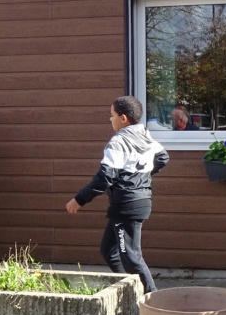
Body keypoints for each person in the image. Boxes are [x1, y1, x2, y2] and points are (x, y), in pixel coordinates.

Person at [66, 96, 169, 293]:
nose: (109, 119)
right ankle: (130, 289)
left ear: (123, 118)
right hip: (139, 200)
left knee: (131, 255)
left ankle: (153, 299)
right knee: (109, 250)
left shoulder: (119, 141)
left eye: (112, 115)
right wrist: (141, 175)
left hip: (127, 204)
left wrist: (79, 199)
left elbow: (105, 176)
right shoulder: (143, 135)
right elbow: (163, 157)